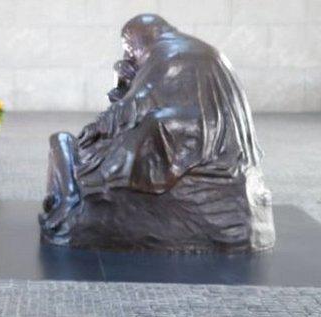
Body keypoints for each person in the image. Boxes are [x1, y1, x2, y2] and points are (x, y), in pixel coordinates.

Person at [38, 14, 275, 252]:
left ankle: (83, 192)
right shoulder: (205, 50)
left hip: (185, 138)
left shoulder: (163, 53)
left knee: (122, 140)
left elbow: (135, 104)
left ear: (138, 39)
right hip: (226, 144)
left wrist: (93, 130)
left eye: (129, 48)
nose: (129, 55)